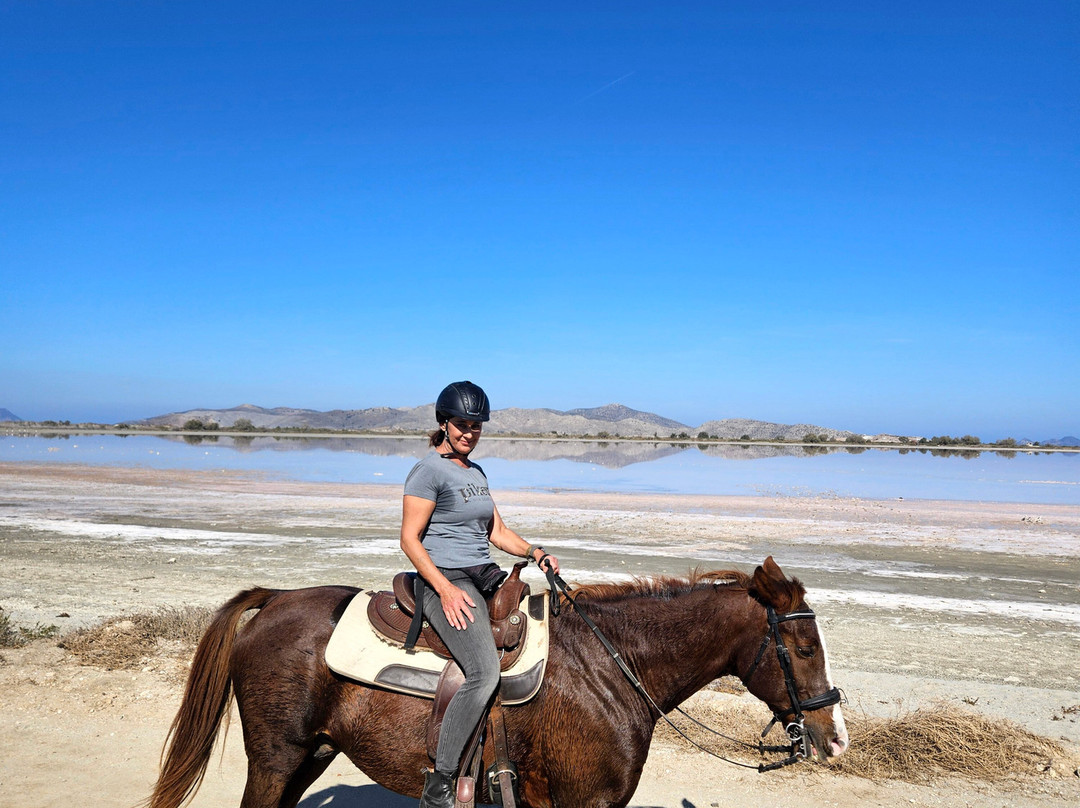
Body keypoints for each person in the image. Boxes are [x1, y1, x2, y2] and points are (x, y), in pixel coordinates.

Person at [400, 380, 559, 808]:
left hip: (482, 573)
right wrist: (446, 589)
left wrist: (534, 551)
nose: (469, 433)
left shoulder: (477, 473)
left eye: (476, 426)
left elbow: (497, 531)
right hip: (444, 580)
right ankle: (440, 784)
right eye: (461, 424)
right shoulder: (427, 471)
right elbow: (410, 539)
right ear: (443, 423)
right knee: (484, 672)